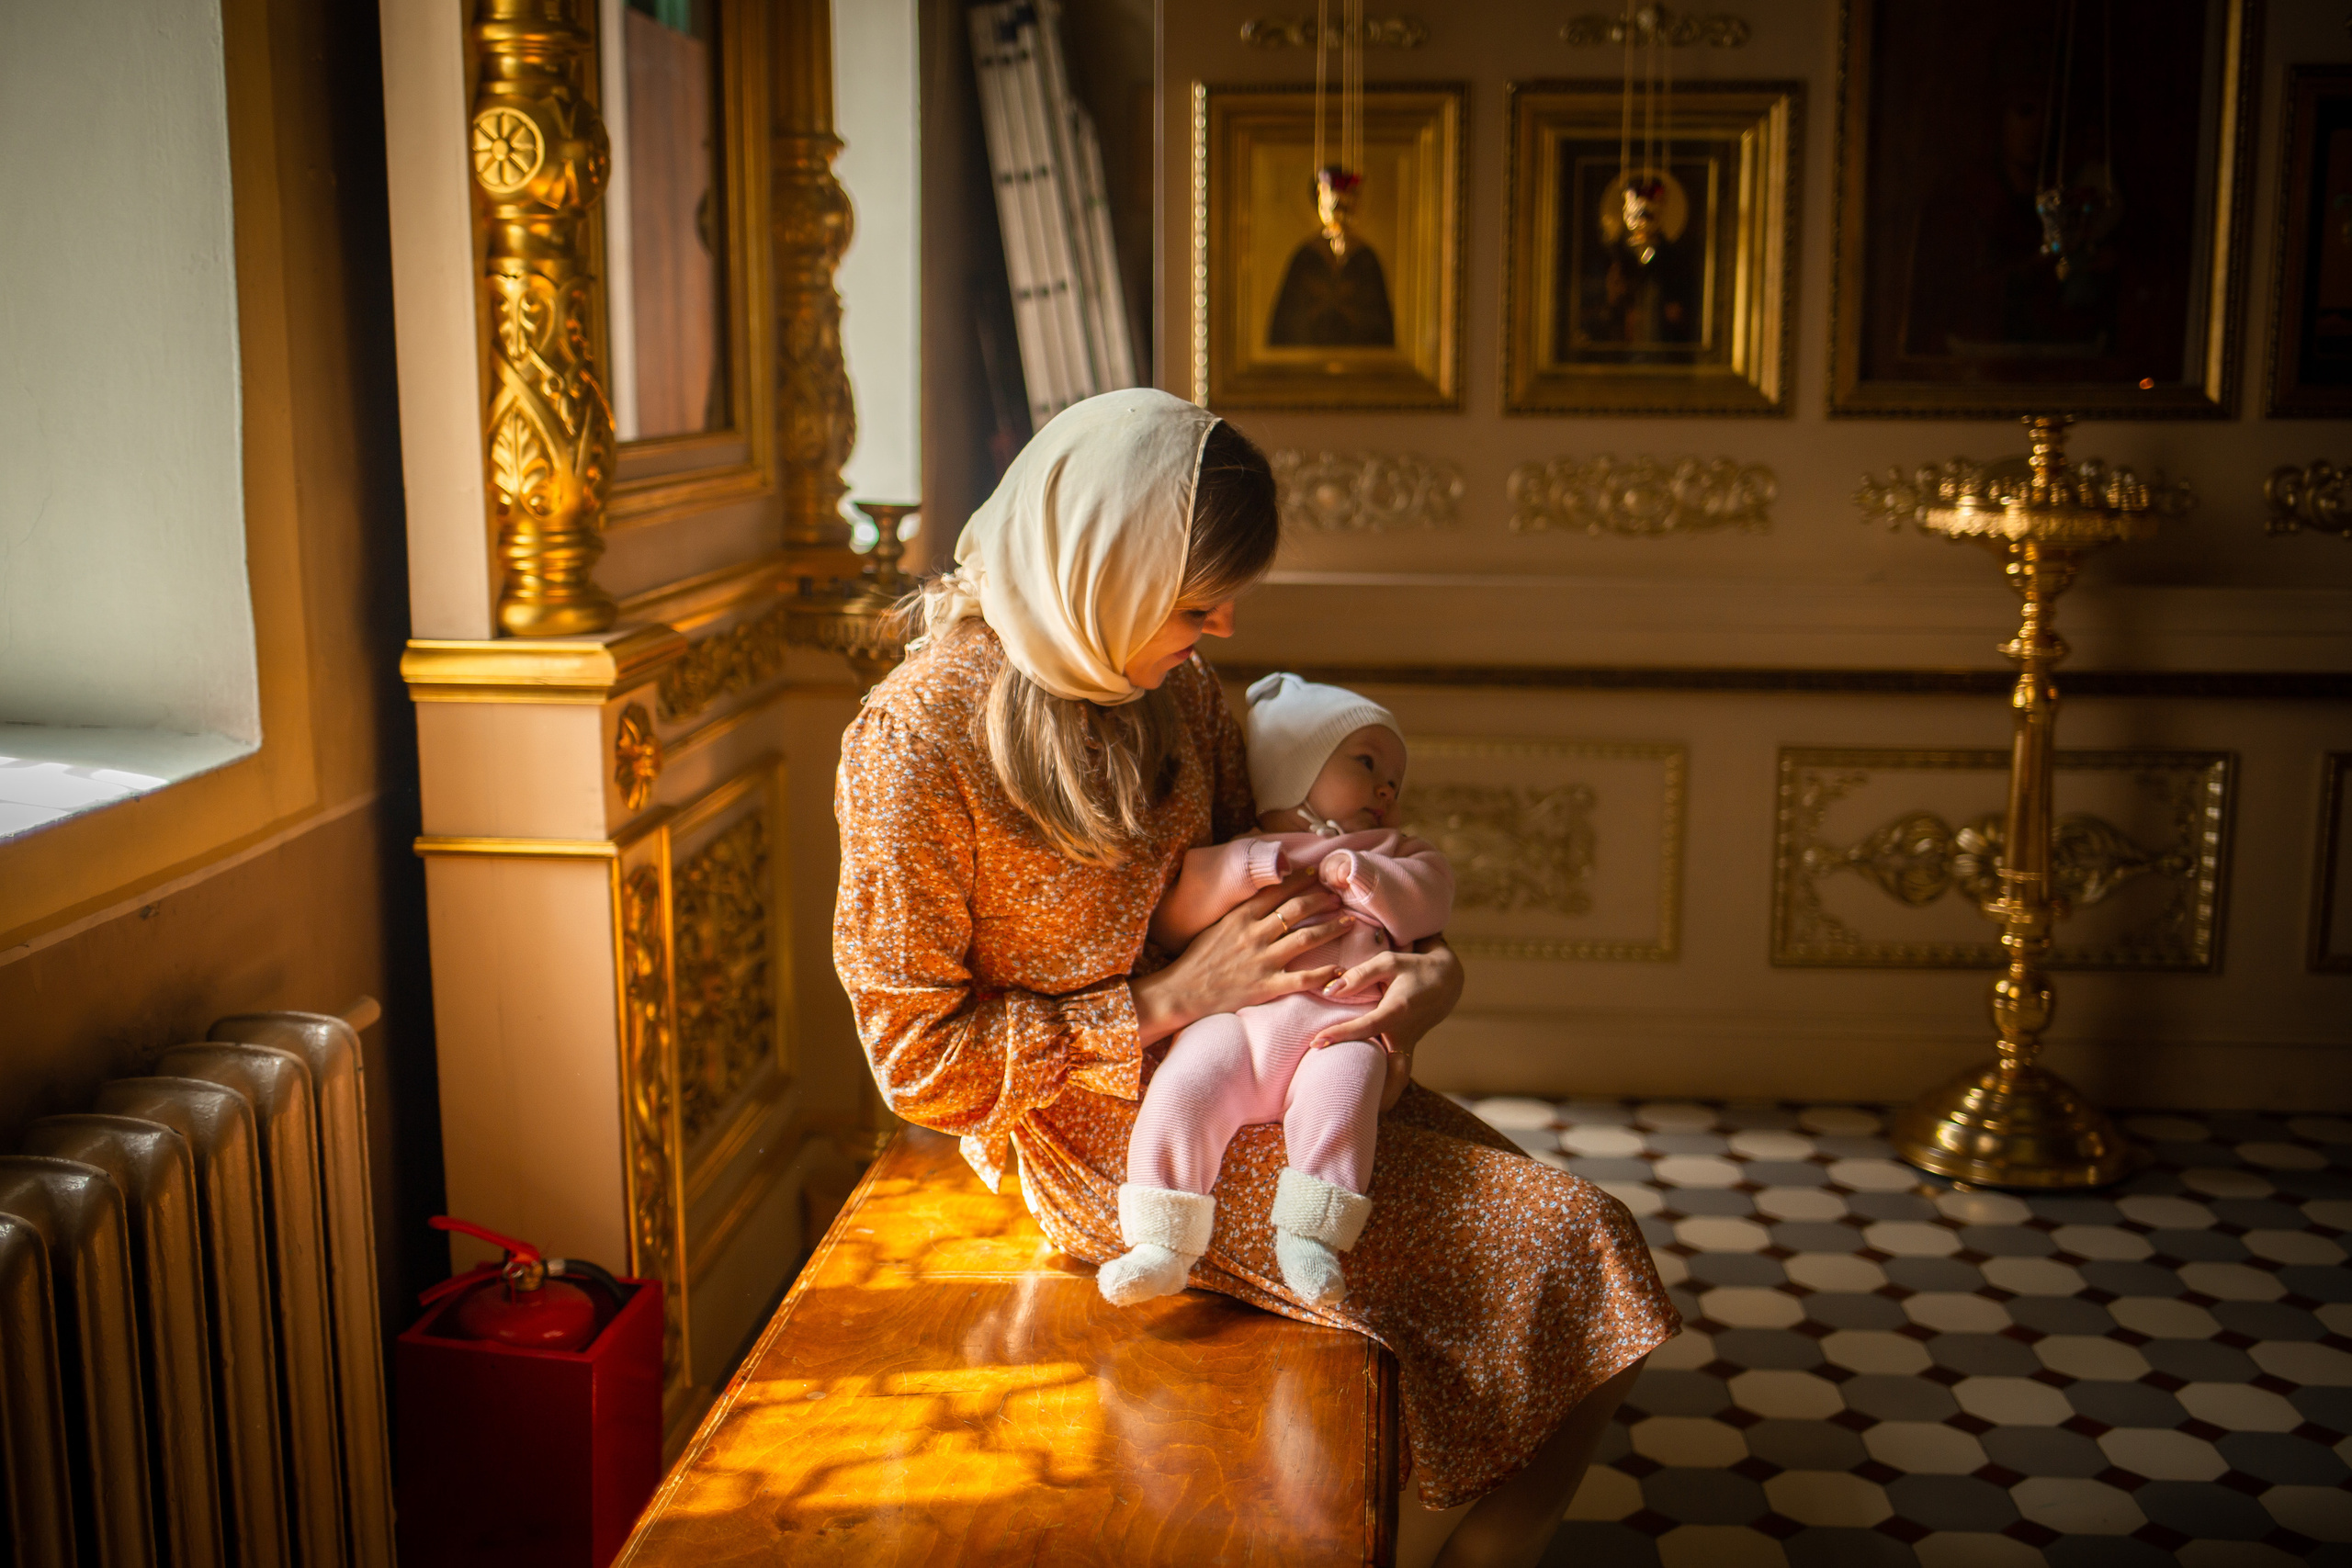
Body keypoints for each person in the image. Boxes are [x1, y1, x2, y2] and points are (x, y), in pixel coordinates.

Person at [832, 387, 1678, 1568]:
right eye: (1193, 601)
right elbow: (917, 1066)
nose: (1223, 627)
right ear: (1100, 568)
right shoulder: (914, 743)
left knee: (1560, 1234)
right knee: (1571, 1238)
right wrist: (1170, 1001)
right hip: (1106, 1142)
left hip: (1271, 1058)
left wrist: (1420, 990)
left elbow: (1289, 897)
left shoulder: (1170, 687)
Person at [1100, 674, 1453, 1311]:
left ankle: (1310, 1234)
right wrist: (1249, 868)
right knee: (1183, 1085)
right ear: (1297, 772)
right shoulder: (1245, 849)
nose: (1386, 787)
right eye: (1367, 762)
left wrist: (1369, 879)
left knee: (1349, 1087)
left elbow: (1430, 899)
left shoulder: (1394, 850)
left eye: (1395, 780)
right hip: (1239, 1027)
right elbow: (1177, 916)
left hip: (1336, 1027)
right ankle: (1161, 1239)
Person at [1268, 166, 1396, 347]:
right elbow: (1287, 324)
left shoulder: (1366, 259)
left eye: (1344, 206)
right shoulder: (1305, 257)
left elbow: (1379, 325)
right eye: (1331, 205)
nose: (1338, 213)